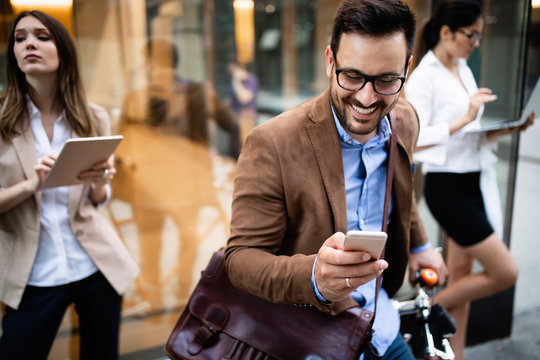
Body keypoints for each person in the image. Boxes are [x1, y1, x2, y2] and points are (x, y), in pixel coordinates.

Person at [225, 1, 447, 359]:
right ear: (330, 61)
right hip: (308, 338)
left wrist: (419, 246)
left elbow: (399, 195)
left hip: (383, 325)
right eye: (353, 76)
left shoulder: (405, 119)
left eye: (386, 80)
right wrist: (314, 275)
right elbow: (240, 260)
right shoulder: (273, 142)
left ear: (407, 69)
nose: (366, 97)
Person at [0, 10, 139, 359]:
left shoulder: (92, 116)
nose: (29, 43)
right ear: (13, 55)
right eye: (20, 39)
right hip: (33, 273)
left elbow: (98, 199)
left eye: (42, 37)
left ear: (63, 51)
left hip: (96, 265)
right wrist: (33, 184)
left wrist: (99, 182)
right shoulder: (2, 121)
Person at [403, 1, 534, 359]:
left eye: (480, 34)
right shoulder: (424, 77)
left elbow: (469, 133)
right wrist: (466, 117)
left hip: (472, 180)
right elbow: (414, 138)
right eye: (471, 34)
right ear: (446, 32)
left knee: (462, 276)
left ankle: (454, 354)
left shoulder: (462, 68)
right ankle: (424, 314)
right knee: (505, 271)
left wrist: (507, 129)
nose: (476, 42)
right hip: (448, 188)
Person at [228, 60, 258, 145]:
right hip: (235, 119)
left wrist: (236, 81)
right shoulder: (233, 82)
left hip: (246, 119)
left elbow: (244, 99)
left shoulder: (250, 79)